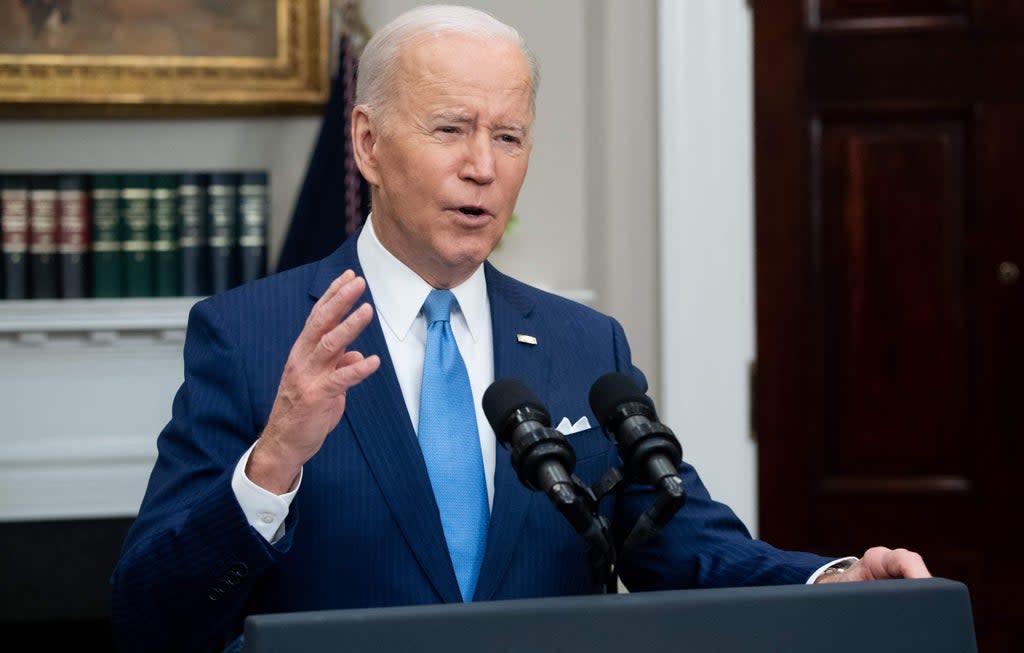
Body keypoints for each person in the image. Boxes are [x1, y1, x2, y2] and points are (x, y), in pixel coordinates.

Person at [109, 5, 931, 652]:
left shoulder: (584, 344)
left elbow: (680, 540)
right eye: (450, 129)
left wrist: (831, 579)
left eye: (508, 136)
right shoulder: (251, 335)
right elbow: (152, 619)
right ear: (366, 142)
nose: (484, 166)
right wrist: (273, 463)